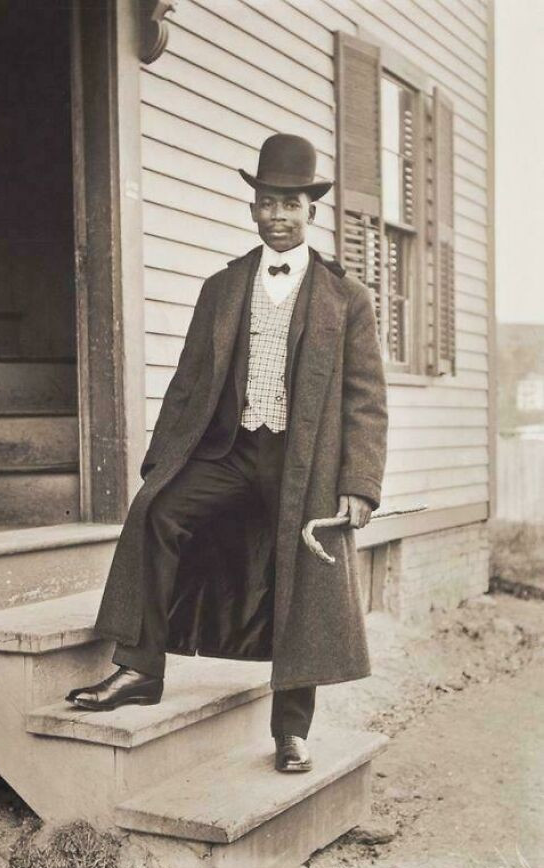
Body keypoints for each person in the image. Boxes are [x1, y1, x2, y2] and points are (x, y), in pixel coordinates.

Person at [66, 133, 388, 773]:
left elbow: (365, 399)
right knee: (158, 514)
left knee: (303, 587)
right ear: (253, 208)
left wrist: (360, 484)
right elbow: (188, 383)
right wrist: (160, 461)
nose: (278, 215)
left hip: (307, 467)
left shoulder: (345, 299)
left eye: (290, 204)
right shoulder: (222, 288)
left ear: (311, 211)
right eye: (267, 202)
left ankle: (291, 732)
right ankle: (139, 669)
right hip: (232, 451)